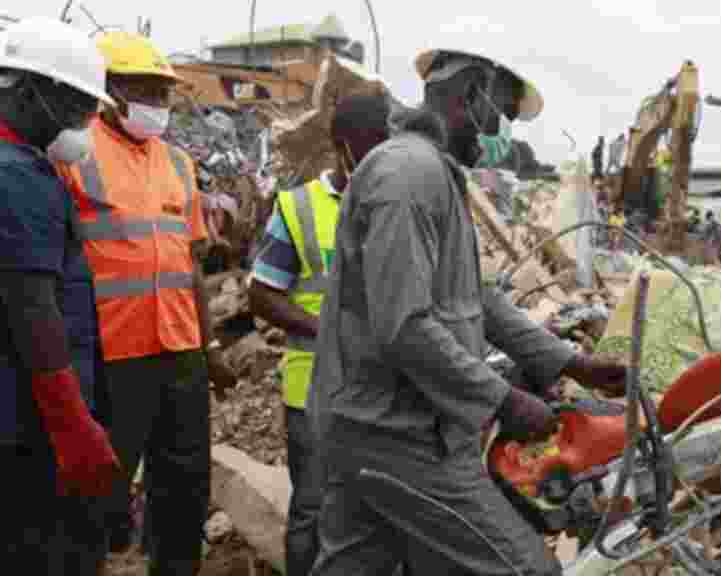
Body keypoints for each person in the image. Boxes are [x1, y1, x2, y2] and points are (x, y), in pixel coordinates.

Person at [307, 48, 629, 576]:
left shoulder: (431, 174)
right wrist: (502, 400)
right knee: (525, 568)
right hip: (403, 436)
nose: (498, 131)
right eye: (498, 113)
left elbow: (472, 298)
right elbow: (405, 325)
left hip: (373, 427)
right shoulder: (409, 176)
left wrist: (572, 364)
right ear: (470, 95)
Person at [54, 31, 235, 574]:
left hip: (179, 350)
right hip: (112, 352)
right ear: (109, 90)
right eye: (146, 90)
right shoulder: (75, 154)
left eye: (164, 92)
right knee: (100, 487)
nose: (157, 104)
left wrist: (209, 347)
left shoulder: (178, 164)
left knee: (183, 487)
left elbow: (191, 266)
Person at [248, 92, 393, 576]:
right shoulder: (298, 208)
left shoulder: (396, 204)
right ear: (341, 147)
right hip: (311, 386)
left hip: (381, 391)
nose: (377, 162)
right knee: (312, 505)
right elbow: (262, 294)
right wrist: (328, 330)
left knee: (375, 509)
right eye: (367, 150)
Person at [0, 17, 121, 574]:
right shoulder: (19, 176)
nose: (83, 124)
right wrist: (74, 428)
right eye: (73, 106)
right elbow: (34, 310)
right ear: (25, 92)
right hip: (27, 430)